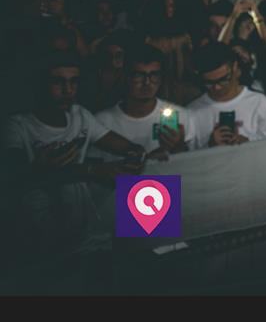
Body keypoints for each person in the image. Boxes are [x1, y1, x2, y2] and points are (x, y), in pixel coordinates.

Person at [3, 54, 148, 254]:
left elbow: (125, 146)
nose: (68, 90)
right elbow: (15, 175)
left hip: (84, 233)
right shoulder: (17, 126)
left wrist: (136, 156)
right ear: (41, 84)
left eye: (74, 82)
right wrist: (91, 170)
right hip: (35, 236)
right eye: (58, 82)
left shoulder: (79, 115)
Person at [92, 44, 192, 158]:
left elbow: (194, 164)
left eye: (154, 75)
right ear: (126, 77)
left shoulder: (182, 116)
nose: (147, 82)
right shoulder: (101, 122)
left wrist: (179, 148)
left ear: (161, 78)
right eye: (139, 75)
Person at [187, 42, 266, 149]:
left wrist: (248, 143)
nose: (217, 87)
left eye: (223, 80)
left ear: (235, 67)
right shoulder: (193, 111)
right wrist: (210, 146)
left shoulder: (259, 102)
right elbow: (188, 155)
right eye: (209, 83)